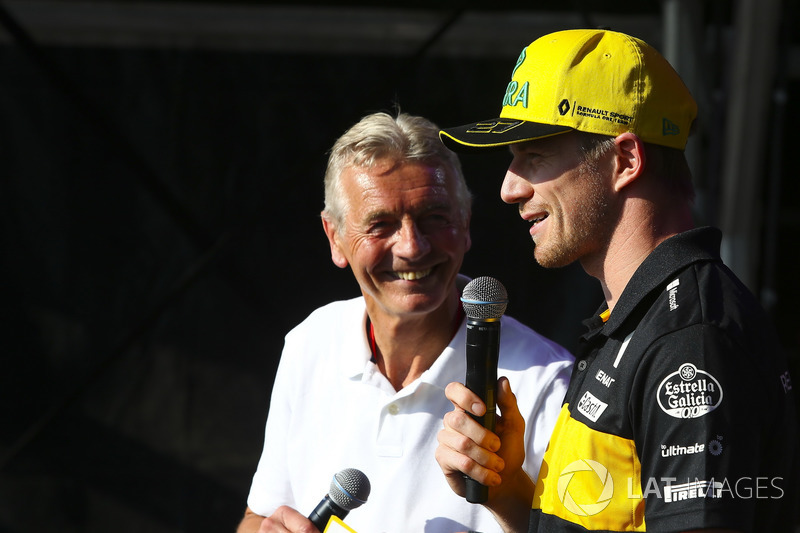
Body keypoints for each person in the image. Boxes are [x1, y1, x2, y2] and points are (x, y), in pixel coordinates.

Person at [434, 28, 797, 533]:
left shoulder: (687, 340)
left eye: (534, 156)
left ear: (625, 161)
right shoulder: (639, 319)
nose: (509, 188)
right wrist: (506, 488)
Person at [236, 111, 574, 533]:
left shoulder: (546, 383)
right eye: (381, 225)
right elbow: (262, 513)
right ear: (334, 237)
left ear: (466, 224)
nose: (412, 247)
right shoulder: (311, 342)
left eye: (435, 217)